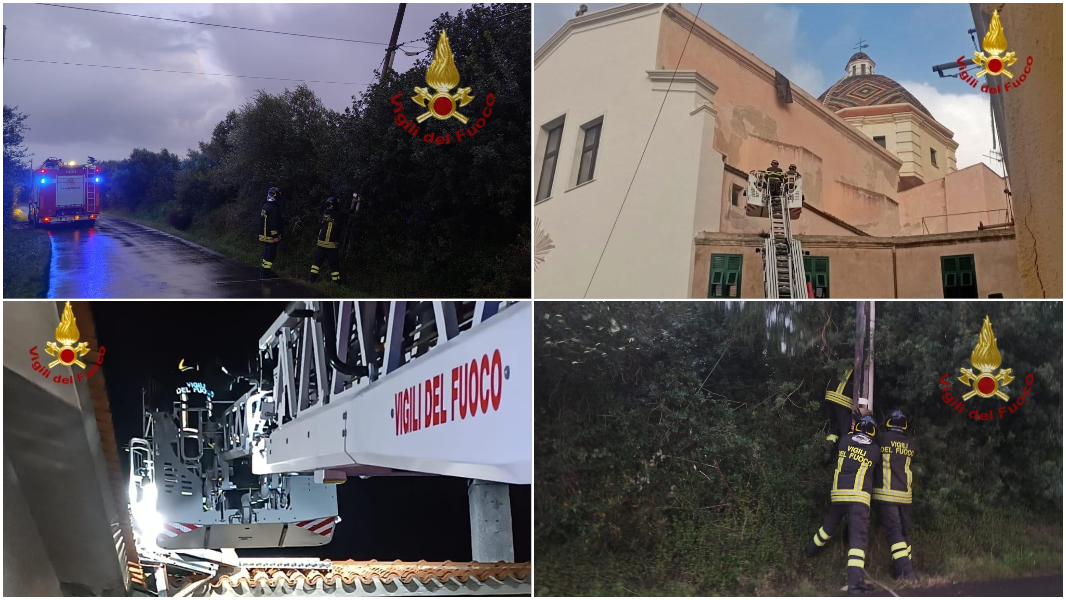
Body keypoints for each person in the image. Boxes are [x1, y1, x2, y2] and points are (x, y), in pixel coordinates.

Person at [806, 414, 881, 596]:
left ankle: (809, 551)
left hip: (838, 495)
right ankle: (855, 583)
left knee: (828, 527)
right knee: (858, 539)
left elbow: (850, 432)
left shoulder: (845, 441)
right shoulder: (874, 450)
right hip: (858, 499)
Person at [872, 408, 917, 582]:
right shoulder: (911, 443)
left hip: (887, 495)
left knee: (894, 534)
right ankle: (900, 572)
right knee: (905, 534)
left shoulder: (882, 439)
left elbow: (869, 438)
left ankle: (908, 574)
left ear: (889, 422)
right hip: (905, 496)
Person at [823, 368, 855, 463]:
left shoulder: (843, 362)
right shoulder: (860, 364)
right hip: (844, 400)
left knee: (832, 426)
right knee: (845, 431)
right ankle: (843, 458)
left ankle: (827, 454)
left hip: (830, 396)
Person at [308, 197, 343, 283]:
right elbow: (351, 213)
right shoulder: (337, 215)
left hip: (321, 242)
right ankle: (336, 282)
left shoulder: (325, 213)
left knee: (317, 263)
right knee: (334, 264)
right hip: (331, 244)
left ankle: (311, 279)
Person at [259, 187, 282, 278]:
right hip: (270, 236)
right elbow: (273, 223)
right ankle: (266, 273)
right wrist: (275, 236)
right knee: (270, 254)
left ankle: (263, 271)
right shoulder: (273, 208)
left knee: (266, 253)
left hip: (264, 235)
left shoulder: (265, 205)